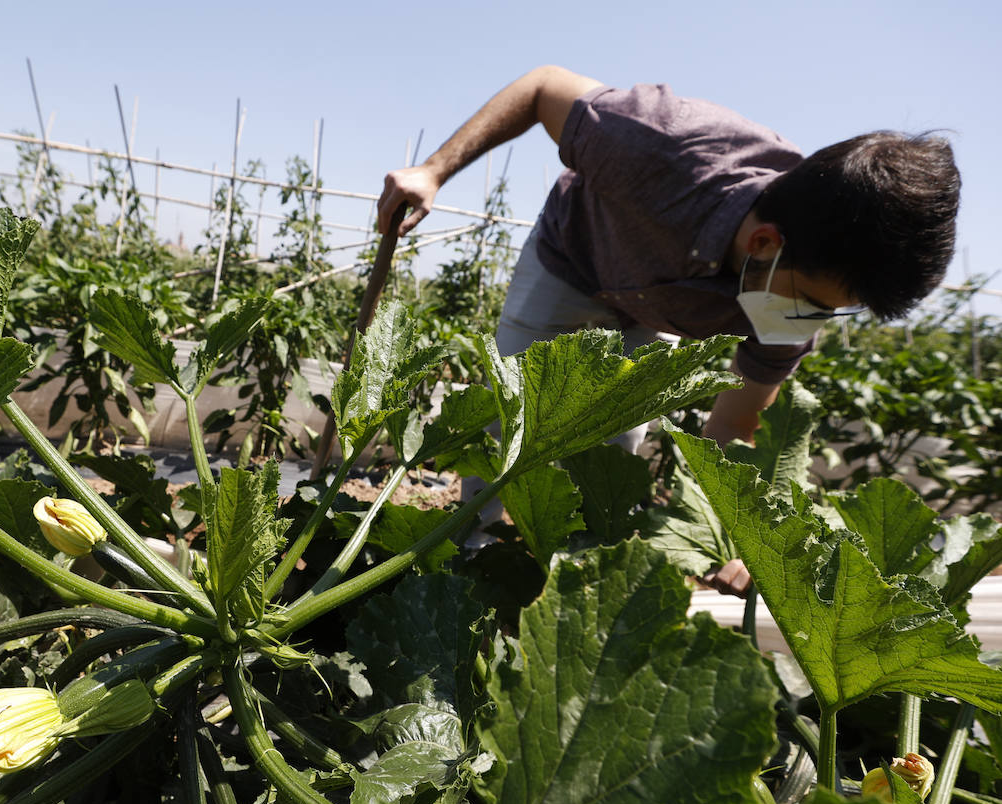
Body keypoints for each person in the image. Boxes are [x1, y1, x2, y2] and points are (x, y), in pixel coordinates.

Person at [377, 66, 960, 594]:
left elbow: (734, 423)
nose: (807, 322)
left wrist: (743, 540)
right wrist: (433, 171)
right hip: (573, 259)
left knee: (609, 464)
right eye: (810, 302)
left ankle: (569, 583)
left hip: (661, 311)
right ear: (765, 246)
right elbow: (542, 87)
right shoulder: (658, 142)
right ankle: (464, 566)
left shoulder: (792, 302)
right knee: (508, 420)